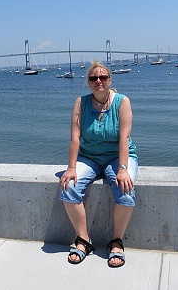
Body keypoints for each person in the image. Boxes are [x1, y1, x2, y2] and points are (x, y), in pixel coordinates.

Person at [59, 61, 138, 268]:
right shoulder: (81, 103)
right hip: (90, 156)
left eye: (103, 77)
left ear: (110, 80)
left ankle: (116, 241)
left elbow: (124, 138)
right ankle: (83, 240)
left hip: (118, 156)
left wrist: (122, 169)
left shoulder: (122, 102)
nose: (98, 81)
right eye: (93, 78)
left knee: (125, 190)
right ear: (88, 82)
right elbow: (75, 138)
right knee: (68, 187)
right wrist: (71, 168)